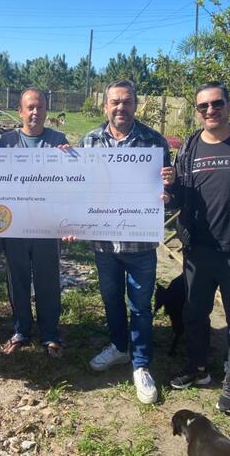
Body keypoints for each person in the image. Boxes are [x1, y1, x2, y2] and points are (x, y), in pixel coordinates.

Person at [166, 82, 230, 415]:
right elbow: (178, 198)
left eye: (217, 103)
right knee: (194, 312)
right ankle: (197, 367)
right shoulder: (189, 147)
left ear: (229, 105)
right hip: (198, 247)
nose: (210, 110)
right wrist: (169, 189)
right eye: (203, 106)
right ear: (197, 111)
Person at [80, 79, 174, 405]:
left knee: (141, 306)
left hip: (139, 244)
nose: (121, 107)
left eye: (127, 101)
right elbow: (78, 186)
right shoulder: (89, 141)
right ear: (105, 105)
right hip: (104, 243)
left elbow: (167, 191)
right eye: (115, 102)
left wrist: (167, 190)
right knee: (111, 299)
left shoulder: (154, 142)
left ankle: (141, 363)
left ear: (136, 104)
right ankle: (120, 347)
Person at [0, 88, 69, 357]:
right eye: (30, 107)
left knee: (48, 279)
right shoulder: (5, 142)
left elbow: (72, 180)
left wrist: (71, 160)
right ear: (20, 111)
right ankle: (21, 330)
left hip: (47, 224)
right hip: (15, 224)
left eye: (40, 107)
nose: (35, 112)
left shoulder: (58, 141)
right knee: (17, 278)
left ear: (46, 111)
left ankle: (50, 334)